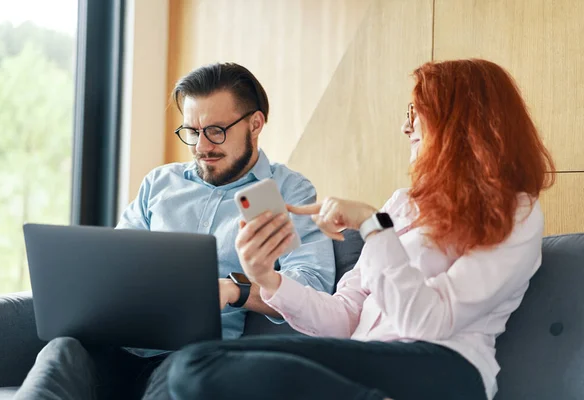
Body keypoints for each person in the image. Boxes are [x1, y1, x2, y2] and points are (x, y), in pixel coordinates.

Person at [166, 59, 556, 400]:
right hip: (368, 364)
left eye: (417, 111)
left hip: (444, 368)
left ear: (461, 121)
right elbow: (344, 315)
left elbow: (430, 322)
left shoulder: (516, 211)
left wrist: (372, 225)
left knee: (196, 365)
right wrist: (266, 277)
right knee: (185, 372)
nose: (406, 126)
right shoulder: (404, 203)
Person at [14, 63, 335, 400]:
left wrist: (235, 289)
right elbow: (118, 258)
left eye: (215, 131)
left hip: (196, 357)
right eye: (192, 132)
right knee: (61, 351)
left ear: (255, 124)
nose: (201, 147)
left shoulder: (284, 192)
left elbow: (313, 285)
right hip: (118, 344)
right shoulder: (160, 183)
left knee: (179, 376)